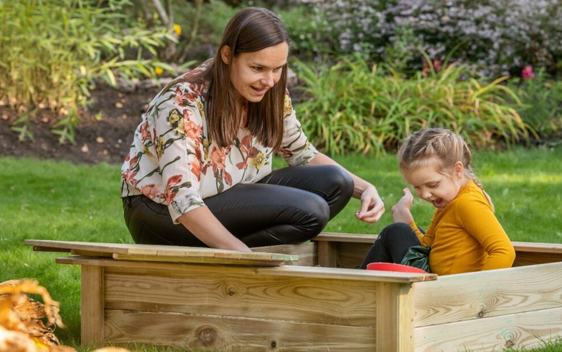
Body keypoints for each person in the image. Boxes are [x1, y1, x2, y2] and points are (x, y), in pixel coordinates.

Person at [120, 7, 385, 252]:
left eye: (277, 69)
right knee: (310, 210)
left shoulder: (269, 91)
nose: (269, 81)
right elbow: (183, 200)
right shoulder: (182, 104)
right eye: (257, 68)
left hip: (226, 194)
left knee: (337, 183)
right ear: (227, 55)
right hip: (160, 215)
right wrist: (243, 256)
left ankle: (235, 254)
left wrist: (365, 189)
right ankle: (240, 259)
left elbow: (302, 153)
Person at [360, 128, 515, 275]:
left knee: (395, 232)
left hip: (446, 292)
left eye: (432, 185)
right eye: (417, 187)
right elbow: (427, 247)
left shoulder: (468, 203)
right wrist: (405, 217)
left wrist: (476, 292)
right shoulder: (450, 202)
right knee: (401, 230)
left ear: (458, 171)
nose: (425, 194)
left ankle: (356, 286)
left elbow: (504, 251)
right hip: (436, 281)